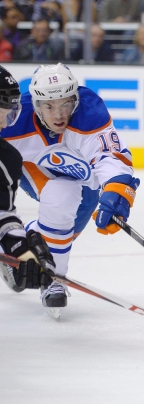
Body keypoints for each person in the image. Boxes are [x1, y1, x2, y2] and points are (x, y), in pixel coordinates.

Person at [0, 63, 139, 315]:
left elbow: (109, 155)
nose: (59, 114)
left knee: (65, 232)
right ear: (35, 103)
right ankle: (55, 280)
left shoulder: (88, 112)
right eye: (49, 106)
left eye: (65, 104)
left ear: (75, 98)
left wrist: (117, 191)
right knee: (60, 196)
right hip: (36, 170)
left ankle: (31, 237)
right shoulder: (16, 116)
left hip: (87, 184)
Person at [0, 64, 57, 301]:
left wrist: (21, 249)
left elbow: (3, 216)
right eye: (5, 110)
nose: (6, 123)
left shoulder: (7, 159)